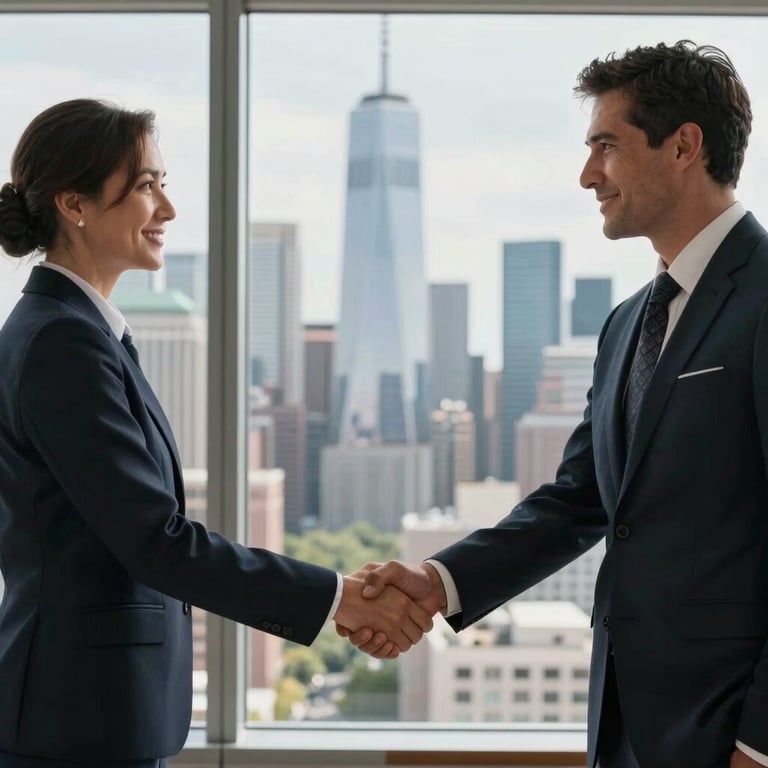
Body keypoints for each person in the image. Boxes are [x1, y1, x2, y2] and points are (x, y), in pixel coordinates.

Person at [341, 41, 768, 768]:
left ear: (684, 147)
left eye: (606, 145)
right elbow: (579, 501)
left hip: (730, 731)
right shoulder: (629, 320)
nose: (586, 175)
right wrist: (438, 584)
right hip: (624, 724)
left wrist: (759, 743)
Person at [0, 99, 432, 768]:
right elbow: (155, 541)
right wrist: (340, 598)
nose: (167, 211)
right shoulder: (62, 341)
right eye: (147, 186)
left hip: (94, 709)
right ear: (74, 204)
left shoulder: (77, 333)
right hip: (77, 719)